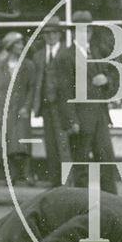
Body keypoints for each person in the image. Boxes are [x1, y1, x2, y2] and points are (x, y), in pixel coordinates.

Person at [59, 10, 118, 194]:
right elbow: (64, 92)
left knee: (107, 163)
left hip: (100, 117)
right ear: (74, 33)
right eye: (81, 30)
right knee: (82, 168)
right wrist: (72, 121)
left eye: (89, 30)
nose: (86, 34)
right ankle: (82, 210)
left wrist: (106, 80)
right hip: (80, 121)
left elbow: (112, 79)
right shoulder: (66, 57)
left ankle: (112, 206)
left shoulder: (98, 53)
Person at [32, 16, 78, 186]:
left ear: (60, 35)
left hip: (63, 109)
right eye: (47, 34)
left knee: (64, 148)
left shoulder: (67, 55)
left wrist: (73, 115)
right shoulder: (38, 56)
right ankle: (54, 186)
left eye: (54, 33)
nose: (50, 37)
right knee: (50, 149)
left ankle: (67, 187)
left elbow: (73, 86)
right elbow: (35, 83)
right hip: (46, 108)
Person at [0, 32, 36, 185]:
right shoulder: (0, 66)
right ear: (9, 47)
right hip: (4, 109)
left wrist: (27, 107)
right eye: (17, 44)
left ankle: (27, 174)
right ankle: (10, 176)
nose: (21, 46)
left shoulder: (28, 65)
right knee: (7, 143)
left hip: (20, 110)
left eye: (21, 43)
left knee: (23, 142)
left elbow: (31, 88)